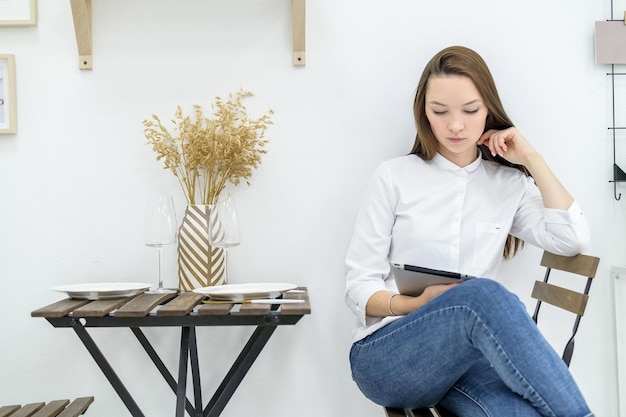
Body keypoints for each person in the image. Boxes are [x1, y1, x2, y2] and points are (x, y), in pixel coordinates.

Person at [345, 45, 594, 417]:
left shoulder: (509, 183)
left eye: (470, 110)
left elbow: (571, 239)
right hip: (389, 353)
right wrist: (411, 304)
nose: (456, 125)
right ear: (424, 113)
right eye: (440, 112)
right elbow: (359, 285)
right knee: (483, 296)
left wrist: (531, 159)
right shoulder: (394, 177)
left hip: (466, 362)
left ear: (489, 110)